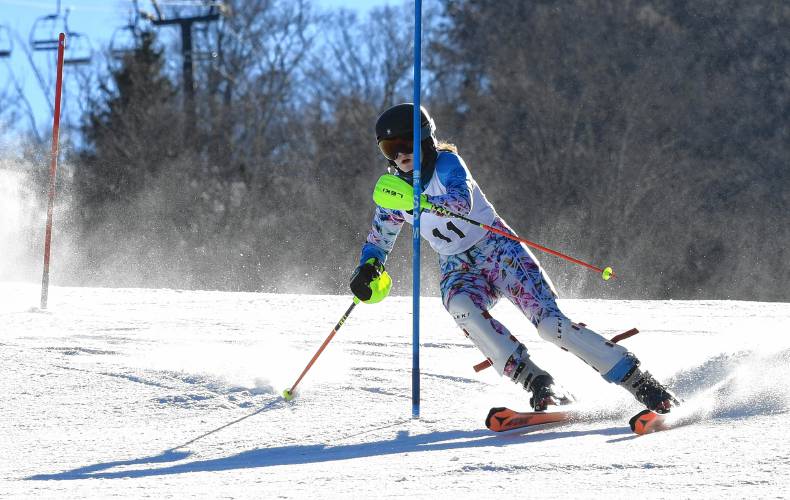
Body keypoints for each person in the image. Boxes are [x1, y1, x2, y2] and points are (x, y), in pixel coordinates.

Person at [349, 103, 678, 413]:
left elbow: (460, 202)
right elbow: (379, 242)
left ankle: (640, 382)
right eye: (390, 150)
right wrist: (369, 267)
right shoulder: (391, 193)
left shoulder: (448, 164)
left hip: (498, 250)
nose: (401, 154)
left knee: (550, 325)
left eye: (406, 143)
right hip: (457, 265)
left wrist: (419, 199)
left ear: (425, 139)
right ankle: (537, 381)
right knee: (459, 305)